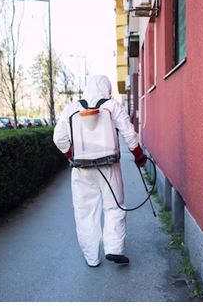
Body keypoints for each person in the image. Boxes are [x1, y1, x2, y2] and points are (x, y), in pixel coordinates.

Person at [53, 75, 146, 267]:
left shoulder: (72, 108)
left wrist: (72, 155)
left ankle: (92, 258)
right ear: (107, 89)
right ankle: (114, 249)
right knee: (114, 207)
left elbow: (58, 138)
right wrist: (139, 156)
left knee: (85, 212)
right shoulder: (112, 106)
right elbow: (129, 133)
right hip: (110, 166)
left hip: (82, 170)